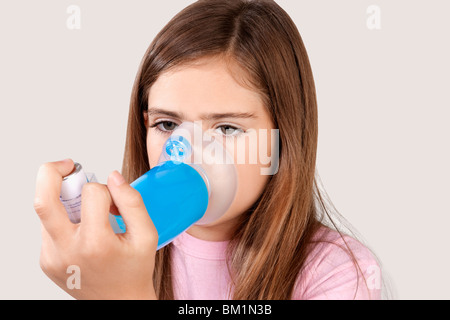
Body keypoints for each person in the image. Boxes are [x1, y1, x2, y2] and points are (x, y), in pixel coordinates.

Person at [34, 0, 382, 299]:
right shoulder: (115, 248)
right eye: (167, 125)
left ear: (280, 142)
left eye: (227, 128)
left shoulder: (338, 273)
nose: (186, 153)